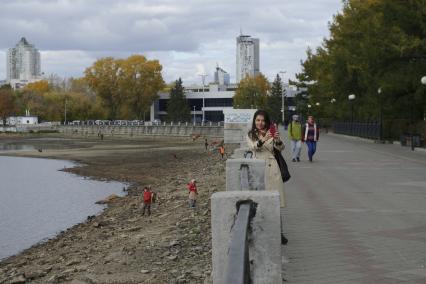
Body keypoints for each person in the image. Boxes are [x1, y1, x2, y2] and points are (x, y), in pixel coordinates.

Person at [246, 109, 288, 245]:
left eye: (263, 120)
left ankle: (279, 233)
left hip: (272, 169)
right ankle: (261, 231)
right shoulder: (251, 134)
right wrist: (264, 138)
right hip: (258, 169)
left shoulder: (272, 133)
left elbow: (281, 148)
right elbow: (254, 147)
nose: (260, 123)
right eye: (258, 120)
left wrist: (277, 139)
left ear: (267, 121)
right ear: (254, 121)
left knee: (275, 202)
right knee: (259, 202)